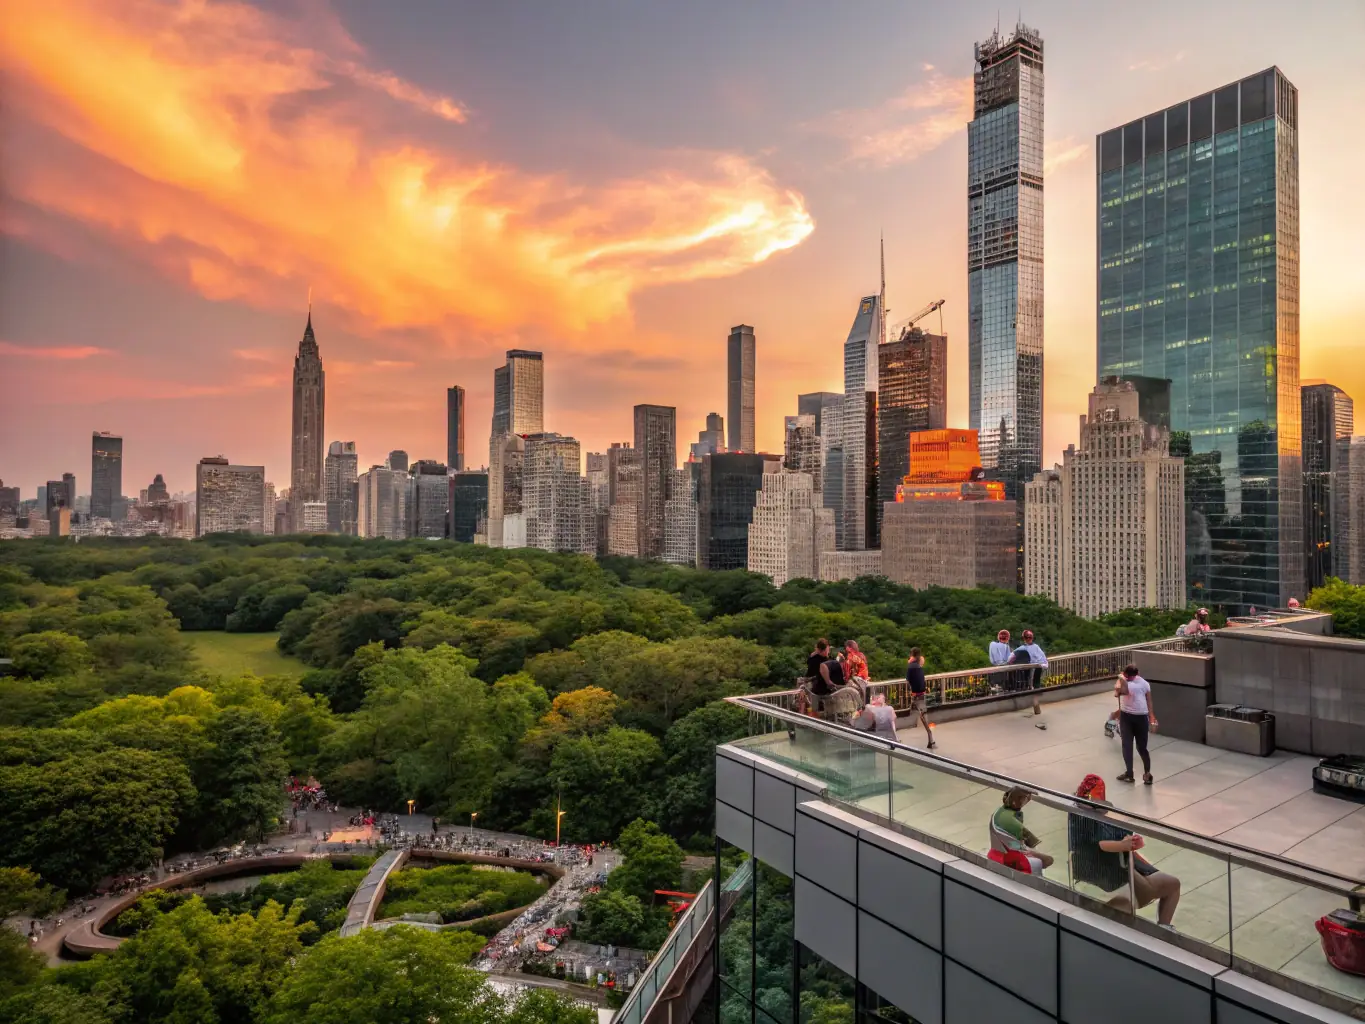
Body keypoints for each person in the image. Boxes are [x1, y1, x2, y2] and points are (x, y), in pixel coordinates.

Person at [1070, 774, 1181, 928]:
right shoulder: (1088, 821)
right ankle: (1164, 928)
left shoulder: (1076, 816)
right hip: (1112, 877)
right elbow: (1101, 844)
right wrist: (1124, 845)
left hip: (1099, 874)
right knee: (1171, 885)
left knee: (1167, 883)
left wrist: (1127, 843)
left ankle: (1163, 928)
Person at [990, 787, 1053, 873]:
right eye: (1026, 798)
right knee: (1047, 859)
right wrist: (1034, 853)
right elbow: (1032, 843)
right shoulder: (1012, 823)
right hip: (1015, 862)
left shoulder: (999, 812)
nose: (1028, 800)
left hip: (998, 857)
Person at [1114, 665, 1157, 785]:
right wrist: (1151, 716)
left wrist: (1120, 678)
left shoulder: (1127, 684)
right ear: (1138, 673)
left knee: (1128, 745)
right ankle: (1146, 773)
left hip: (1128, 717)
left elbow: (1119, 692)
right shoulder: (1145, 683)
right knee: (1141, 747)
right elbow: (1149, 700)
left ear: (1126, 674)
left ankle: (1130, 774)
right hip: (1141, 716)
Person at [904, 648, 936, 749]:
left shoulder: (911, 666)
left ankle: (931, 737)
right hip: (921, 693)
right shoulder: (918, 666)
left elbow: (908, 680)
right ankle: (930, 738)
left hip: (916, 694)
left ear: (911, 654)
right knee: (922, 715)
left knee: (922, 716)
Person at [1013, 630, 1048, 713]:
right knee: (1035, 685)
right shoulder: (1036, 647)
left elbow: (1012, 657)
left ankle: (1036, 705)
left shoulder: (1023, 648)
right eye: (1027, 637)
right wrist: (1044, 664)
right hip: (1037, 667)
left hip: (1031, 668)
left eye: (1029, 637)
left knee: (1032, 685)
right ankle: (1036, 706)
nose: (1028, 639)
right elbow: (1043, 657)